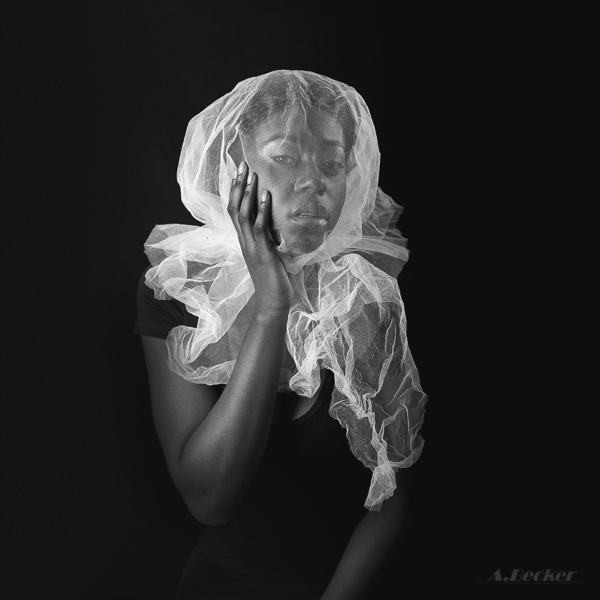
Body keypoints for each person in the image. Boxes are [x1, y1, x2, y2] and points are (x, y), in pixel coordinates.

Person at [134, 70, 427, 599]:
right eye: (286, 157)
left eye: (331, 164)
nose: (313, 181)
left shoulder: (367, 293)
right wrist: (273, 303)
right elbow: (209, 501)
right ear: (238, 165)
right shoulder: (180, 288)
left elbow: (400, 499)